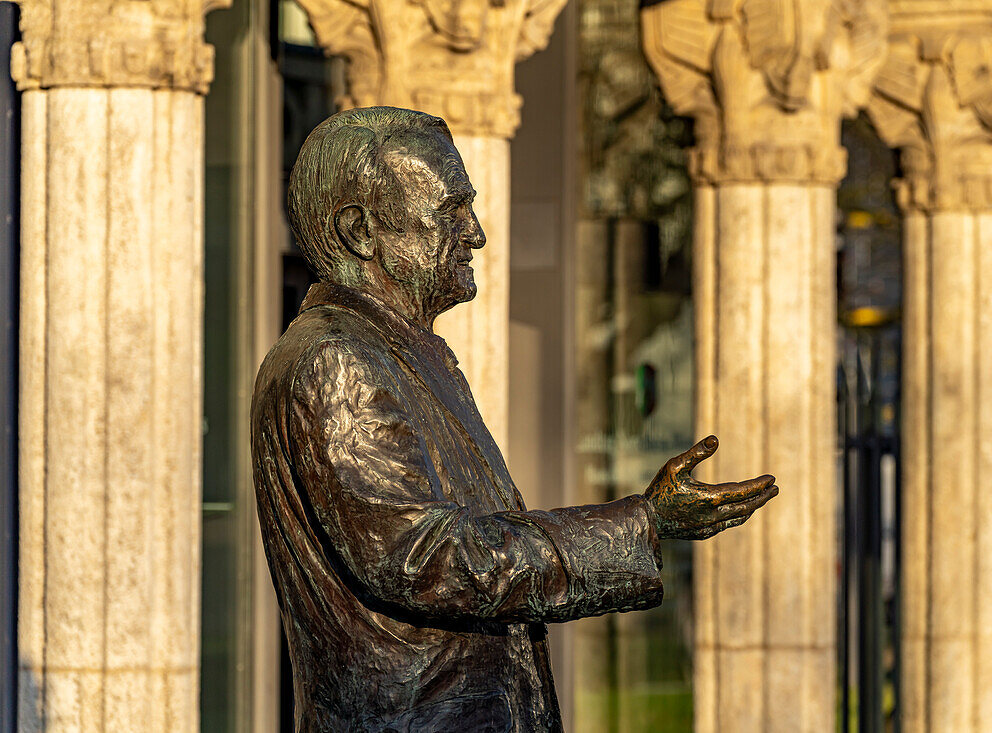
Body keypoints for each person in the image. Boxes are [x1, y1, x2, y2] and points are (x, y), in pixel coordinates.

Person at [251, 106, 779, 732]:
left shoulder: (404, 351)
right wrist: (643, 523)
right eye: (450, 210)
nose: (473, 234)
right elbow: (432, 561)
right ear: (360, 232)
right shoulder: (337, 360)